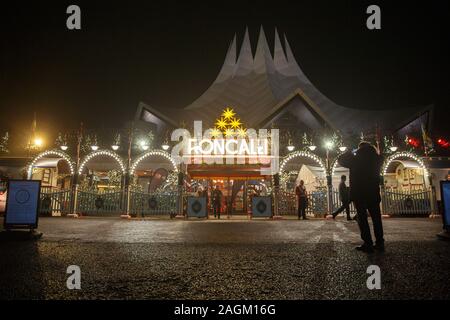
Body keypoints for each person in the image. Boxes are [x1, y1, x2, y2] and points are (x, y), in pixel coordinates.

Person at [338, 142, 385, 253]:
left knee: (362, 219)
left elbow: (341, 159)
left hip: (359, 193)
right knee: (376, 219)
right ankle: (380, 243)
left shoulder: (356, 159)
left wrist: (350, 150)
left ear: (359, 149)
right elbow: (382, 157)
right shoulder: (377, 159)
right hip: (373, 192)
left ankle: (368, 243)